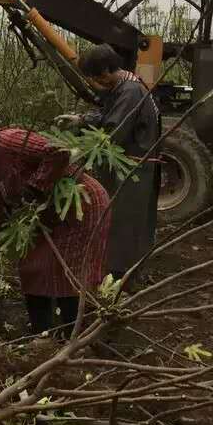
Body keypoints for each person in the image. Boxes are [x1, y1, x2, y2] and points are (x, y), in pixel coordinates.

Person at [0, 120, 109, 336]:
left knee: (67, 272)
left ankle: (74, 337)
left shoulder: (10, 141)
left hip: (78, 206)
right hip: (44, 217)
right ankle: (42, 335)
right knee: (32, 269)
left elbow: (59, 151)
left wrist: (36, 187)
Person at [67, 45, 160, 282]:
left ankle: (122, 277)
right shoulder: (124, 86)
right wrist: (81, 119)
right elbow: (108, 115)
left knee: (125, 221)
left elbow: (113, 130)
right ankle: (125, 272)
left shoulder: (130, 91)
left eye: (97, 76)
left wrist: (80, 150)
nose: (98, 82)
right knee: (127, 221)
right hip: (130, 164)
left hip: (133, 166)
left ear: (107, 71)